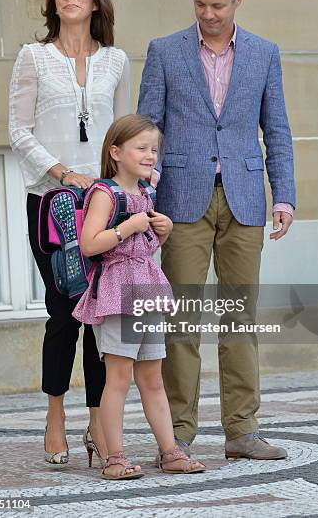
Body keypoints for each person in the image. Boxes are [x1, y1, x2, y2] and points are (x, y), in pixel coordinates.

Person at [138, 0, 295, 460]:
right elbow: (146, 132)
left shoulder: (264, 53)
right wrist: (144, 200)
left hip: (246, 200)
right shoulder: (164, 52)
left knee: (239, 320)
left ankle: (241, 431)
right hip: (180, 202)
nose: (208, 14)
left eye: (218, 5)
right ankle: (178, 433)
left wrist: (285, 195)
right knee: (181, 322)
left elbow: (277, 130)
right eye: (201, 4)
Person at [8, 0, 130, 465]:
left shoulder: (117, 60)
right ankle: (55, 413)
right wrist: (62, 172)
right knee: (63, 312)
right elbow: (18, 131)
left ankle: (98, 423)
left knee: (100, 315)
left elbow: (124, 134)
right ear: (52, 2)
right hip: (52, 202)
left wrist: (133, 189)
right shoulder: (32, 57)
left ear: (95, 1)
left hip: (102, 203)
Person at [72, 114, 206, 479]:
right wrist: (127, 226)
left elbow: (141, 246)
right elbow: (90, 244)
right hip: (118, 292)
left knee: (152, 377)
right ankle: (114, 456)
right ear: (116, 152)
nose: (150, 155)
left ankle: (169, 452)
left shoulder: (145, 193)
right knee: (117, 378)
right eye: (141, 148)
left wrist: (162, 231)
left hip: (146, 288)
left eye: (154, 149)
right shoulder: (105, 193)